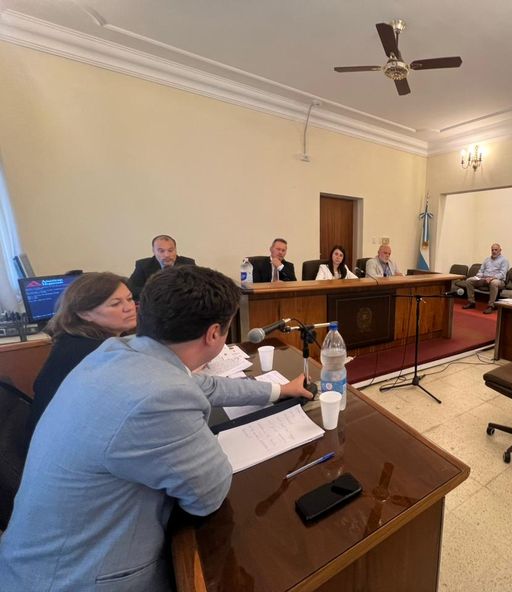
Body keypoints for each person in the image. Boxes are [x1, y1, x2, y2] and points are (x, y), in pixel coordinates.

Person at [0, 266, 312, 591]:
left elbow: (201, 384)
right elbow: (208, 493)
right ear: (214, 333)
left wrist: (278, 390)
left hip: (36, 559)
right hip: (83, 577)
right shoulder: (159, 397)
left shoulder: (118, 351)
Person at [30, 272, 137, 431]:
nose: (129, 307)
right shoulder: (95, 353)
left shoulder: (72, 339)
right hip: (64, 440)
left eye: (129, 299)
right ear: (84, 313)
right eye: (115, 304)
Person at [129, 234, 196, 299]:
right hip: (155, 304)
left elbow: (198, 287)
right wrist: (157, 293)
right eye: (161, 251)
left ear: (175, 250)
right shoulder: (143, 265)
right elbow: (132, 289)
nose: (167, 255)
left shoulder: (188, 264)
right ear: (154, 251)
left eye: (170, 250)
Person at [462, 243, 509, 314]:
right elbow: (481, 270)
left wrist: (491, 278)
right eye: (492, 250)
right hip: (484, 279)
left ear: (500, 250)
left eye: (496, 250)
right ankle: (471, 302)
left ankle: (491, 305)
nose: (494, 251)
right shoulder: (487, 259)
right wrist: (478, 277)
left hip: (498, 280)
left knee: (494, 283)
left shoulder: (504, 260)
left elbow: (502, 274)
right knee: (469, 280)